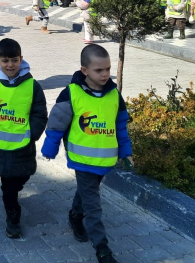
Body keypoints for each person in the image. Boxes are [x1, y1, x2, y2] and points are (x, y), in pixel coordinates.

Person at [41, 44, 133, 263]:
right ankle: (102, 250)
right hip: (82, 161)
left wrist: (126, 152)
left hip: (106, 160)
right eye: (98, 70)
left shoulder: (114, 95)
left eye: (108, 69)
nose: (105, 74)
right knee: (94, 206)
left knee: (87, 192)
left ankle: (74, 214)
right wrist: (50, 148)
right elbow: (57, 123)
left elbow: (120, 126)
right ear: (85, 71)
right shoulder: (71, 93)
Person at [0, 38, 47, 239]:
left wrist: (33, 133)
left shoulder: (32, 86)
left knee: (22, 176)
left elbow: (39, 112)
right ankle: (13, 216)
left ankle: (14, 191)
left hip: (23, 144)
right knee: (7, 184)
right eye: (5, 60)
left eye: (14, 60)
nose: (10, 65)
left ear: (21, 59)